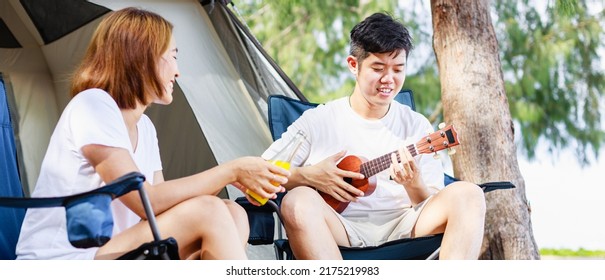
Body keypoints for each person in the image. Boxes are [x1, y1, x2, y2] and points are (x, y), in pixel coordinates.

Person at [15, 7, 288, 260]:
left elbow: (160, 207)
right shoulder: (93, 106)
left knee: (233, 212)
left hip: (111, 250)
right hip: (63, 259)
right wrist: (231, 171)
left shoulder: (145, 129)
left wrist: (240, 178)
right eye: (173, 56)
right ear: (141, 56)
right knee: (211, 211)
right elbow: (146, 202)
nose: (178, 71)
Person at [262, 12, 486, 260]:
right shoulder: (318, 121)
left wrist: (413, 185)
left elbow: (429, 203)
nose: (389, 79)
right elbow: (262, 173)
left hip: (406, 225)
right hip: (340, 228)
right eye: (378, 68)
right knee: (297, 201)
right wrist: (309, 177)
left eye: (398, 69)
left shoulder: (416, 125)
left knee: (470, 195)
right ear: (353, 65)